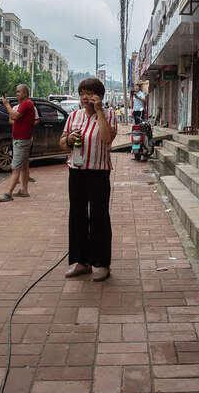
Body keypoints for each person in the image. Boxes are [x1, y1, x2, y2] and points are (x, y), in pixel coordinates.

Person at [60, 78, 117, 282]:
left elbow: (106, 138)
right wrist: (68, 140)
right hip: (76, 171)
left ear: (99, 96)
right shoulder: (73, 116)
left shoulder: (109, 115)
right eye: (82, 92)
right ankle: (81, 261)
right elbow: (62, 142)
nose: (85, 97)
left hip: (99, 172)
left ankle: (101, 263)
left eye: (90, 93)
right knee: (77, 215)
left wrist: (99, 111)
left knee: (99, 216)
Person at [0, 84, 35, 202]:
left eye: (18, 92)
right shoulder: (24, 104)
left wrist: (6, 104)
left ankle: (9, 193)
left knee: (16, 167)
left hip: (22, 140)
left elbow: (14, 115)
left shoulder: (26, 104)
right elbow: (15, 119)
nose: (16, 94)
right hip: (21, 139)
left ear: (25, 93)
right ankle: (24, 190)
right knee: (23, 166)